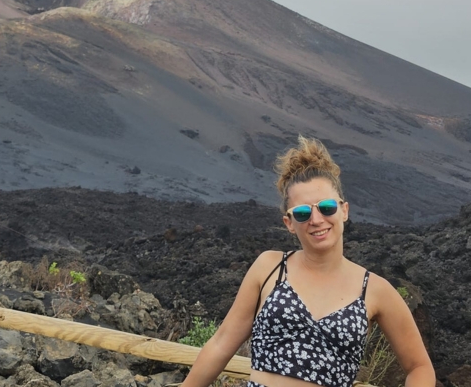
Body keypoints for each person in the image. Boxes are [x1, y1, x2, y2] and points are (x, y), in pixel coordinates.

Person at [181, 136, 435, 387]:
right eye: (302, 213)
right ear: (289, 223)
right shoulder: (269, 268)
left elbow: (419, 367)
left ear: (344, 210)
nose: (316, 219)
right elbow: (221, 343)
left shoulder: (375, 290)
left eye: (326, 207)